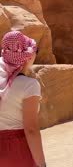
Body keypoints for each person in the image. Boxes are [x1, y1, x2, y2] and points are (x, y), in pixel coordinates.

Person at [0, 31, 46, 167]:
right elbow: (31, 129)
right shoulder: (29, 85)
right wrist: (42, 164)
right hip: (17, 149)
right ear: (28, 56)